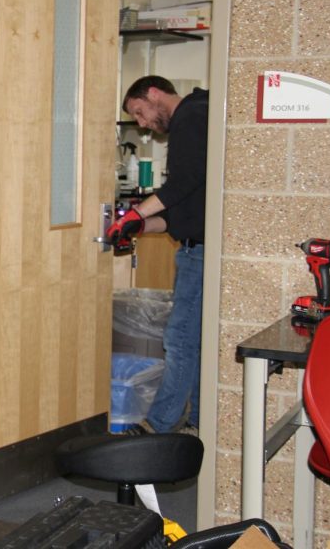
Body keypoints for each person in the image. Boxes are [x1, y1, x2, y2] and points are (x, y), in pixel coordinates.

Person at [106, 75, 208, 435]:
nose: (146, 125)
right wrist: (136, 227)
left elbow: (183, 183)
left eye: (141, 113)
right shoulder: (197, 116)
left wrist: (137, 212)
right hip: (196, 248)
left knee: (179, 339)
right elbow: (185, 211)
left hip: (201, 256)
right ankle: (197, 423)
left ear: (153, 93)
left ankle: (158, 426)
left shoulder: (193, 117)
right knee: (193, 341)